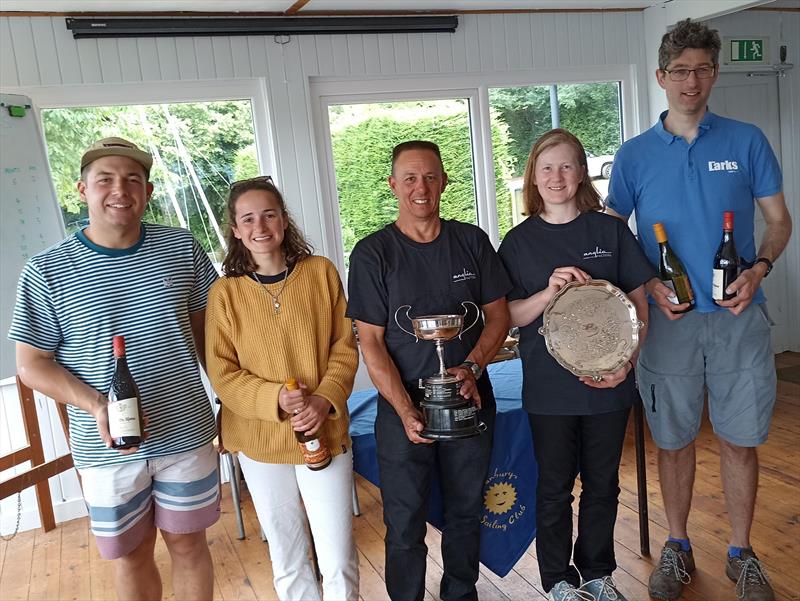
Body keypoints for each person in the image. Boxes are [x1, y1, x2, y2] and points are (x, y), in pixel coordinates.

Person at [606, 18, 792, 601]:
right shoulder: (634, 155)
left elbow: (780, 222)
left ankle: (741, 552)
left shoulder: (746, 141)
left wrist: (758, 269)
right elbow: (616, 234)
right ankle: (679, 547)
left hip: (739, 321)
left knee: (741, 439)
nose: (692, 80)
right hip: (669, 324)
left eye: (703, 69)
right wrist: (648, 287)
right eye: (681, 70)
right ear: (662, 77)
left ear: (715, 73)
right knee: (673, 439)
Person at [9, 137, 219, 600]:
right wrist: (95, 405)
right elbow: (31, 365)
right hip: (106, 451)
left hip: (187, 435)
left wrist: (234, 401)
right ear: (83, 191)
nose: (119, 189)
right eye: (105, 179)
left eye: (133, 180)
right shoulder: (45, 269)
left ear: (146, 192)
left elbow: (213, 339)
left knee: (189, 546)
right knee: (132, 554)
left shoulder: (183, 249)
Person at [346, 140, 511, 601]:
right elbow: (371, 343)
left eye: (431, 177)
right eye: (411, 178)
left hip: (470, 397)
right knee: (404, 522)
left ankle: (461, 593)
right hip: (402, 408)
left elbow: (499, 315)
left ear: (443, 181)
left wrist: (473, 367)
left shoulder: (471, 241)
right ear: (393, 185)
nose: (422, 188)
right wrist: (404, 409)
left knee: (465, 511)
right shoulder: (373, 253)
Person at [497, 129, 653, 601]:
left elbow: (639, 306)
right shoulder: (518, 241)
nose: (556, 177)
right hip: (549, 390)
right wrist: (549, 292)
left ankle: (598, 576)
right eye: (546, 168)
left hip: (610, 384)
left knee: (604, 484)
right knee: (555, 489)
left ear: (581, 172)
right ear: (534, 178)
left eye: (566, 166)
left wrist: (627, 363)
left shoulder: (608, 231)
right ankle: (557, 583)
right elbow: (508, 316)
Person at [205, 176, 359, 601]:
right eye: (248, 218)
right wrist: (274, 396)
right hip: (259, 441)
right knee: (287, 557)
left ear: (284, 220)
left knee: (337, 557)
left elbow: (344, 348)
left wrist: (324, 398)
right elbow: (222, 372)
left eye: (269, 214)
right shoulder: (224, 295)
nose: (260, 226)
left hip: (322, 431)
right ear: (235, 230)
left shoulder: (321, 273)